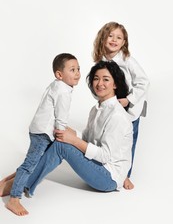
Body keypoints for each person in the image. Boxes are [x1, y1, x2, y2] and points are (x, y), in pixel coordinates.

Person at [0, 60, 133, 216]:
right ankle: (15, 178)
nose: (99, 83)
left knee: (62, 145)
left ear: (115, 84)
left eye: (106, 79)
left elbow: (105, 155)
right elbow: (88, 138)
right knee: (56, 136)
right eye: (96, 78)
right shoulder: (96, 109)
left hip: (108, 178)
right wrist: (67, 132)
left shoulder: (117, 116)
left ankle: (18, 185)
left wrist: (73, 140)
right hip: (96, 165)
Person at [1, 53, 80, 216]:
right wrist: (61, 132)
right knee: (30, 165)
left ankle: (5, 183)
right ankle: (14, 198)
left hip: (40, 130)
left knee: (32, 162)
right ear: (59, 74)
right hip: (43, 133)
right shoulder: (63, 91)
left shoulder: (57, 85)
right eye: (72, 70)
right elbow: (61, 116)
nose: (77, 73)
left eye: (78, 69)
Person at [93, 22, 150, 189]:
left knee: (128, 142)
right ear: (103, 39)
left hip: (130, 108)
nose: (114, 40)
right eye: (110, 36)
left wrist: (129, 100)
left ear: (124, 42)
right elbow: (97, 82)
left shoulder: (127, 60)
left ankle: (126, 175)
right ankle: (109, 170)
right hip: (111, 107)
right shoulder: (100, 61)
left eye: (119, 37)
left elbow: (143, 81)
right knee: (111, 139)